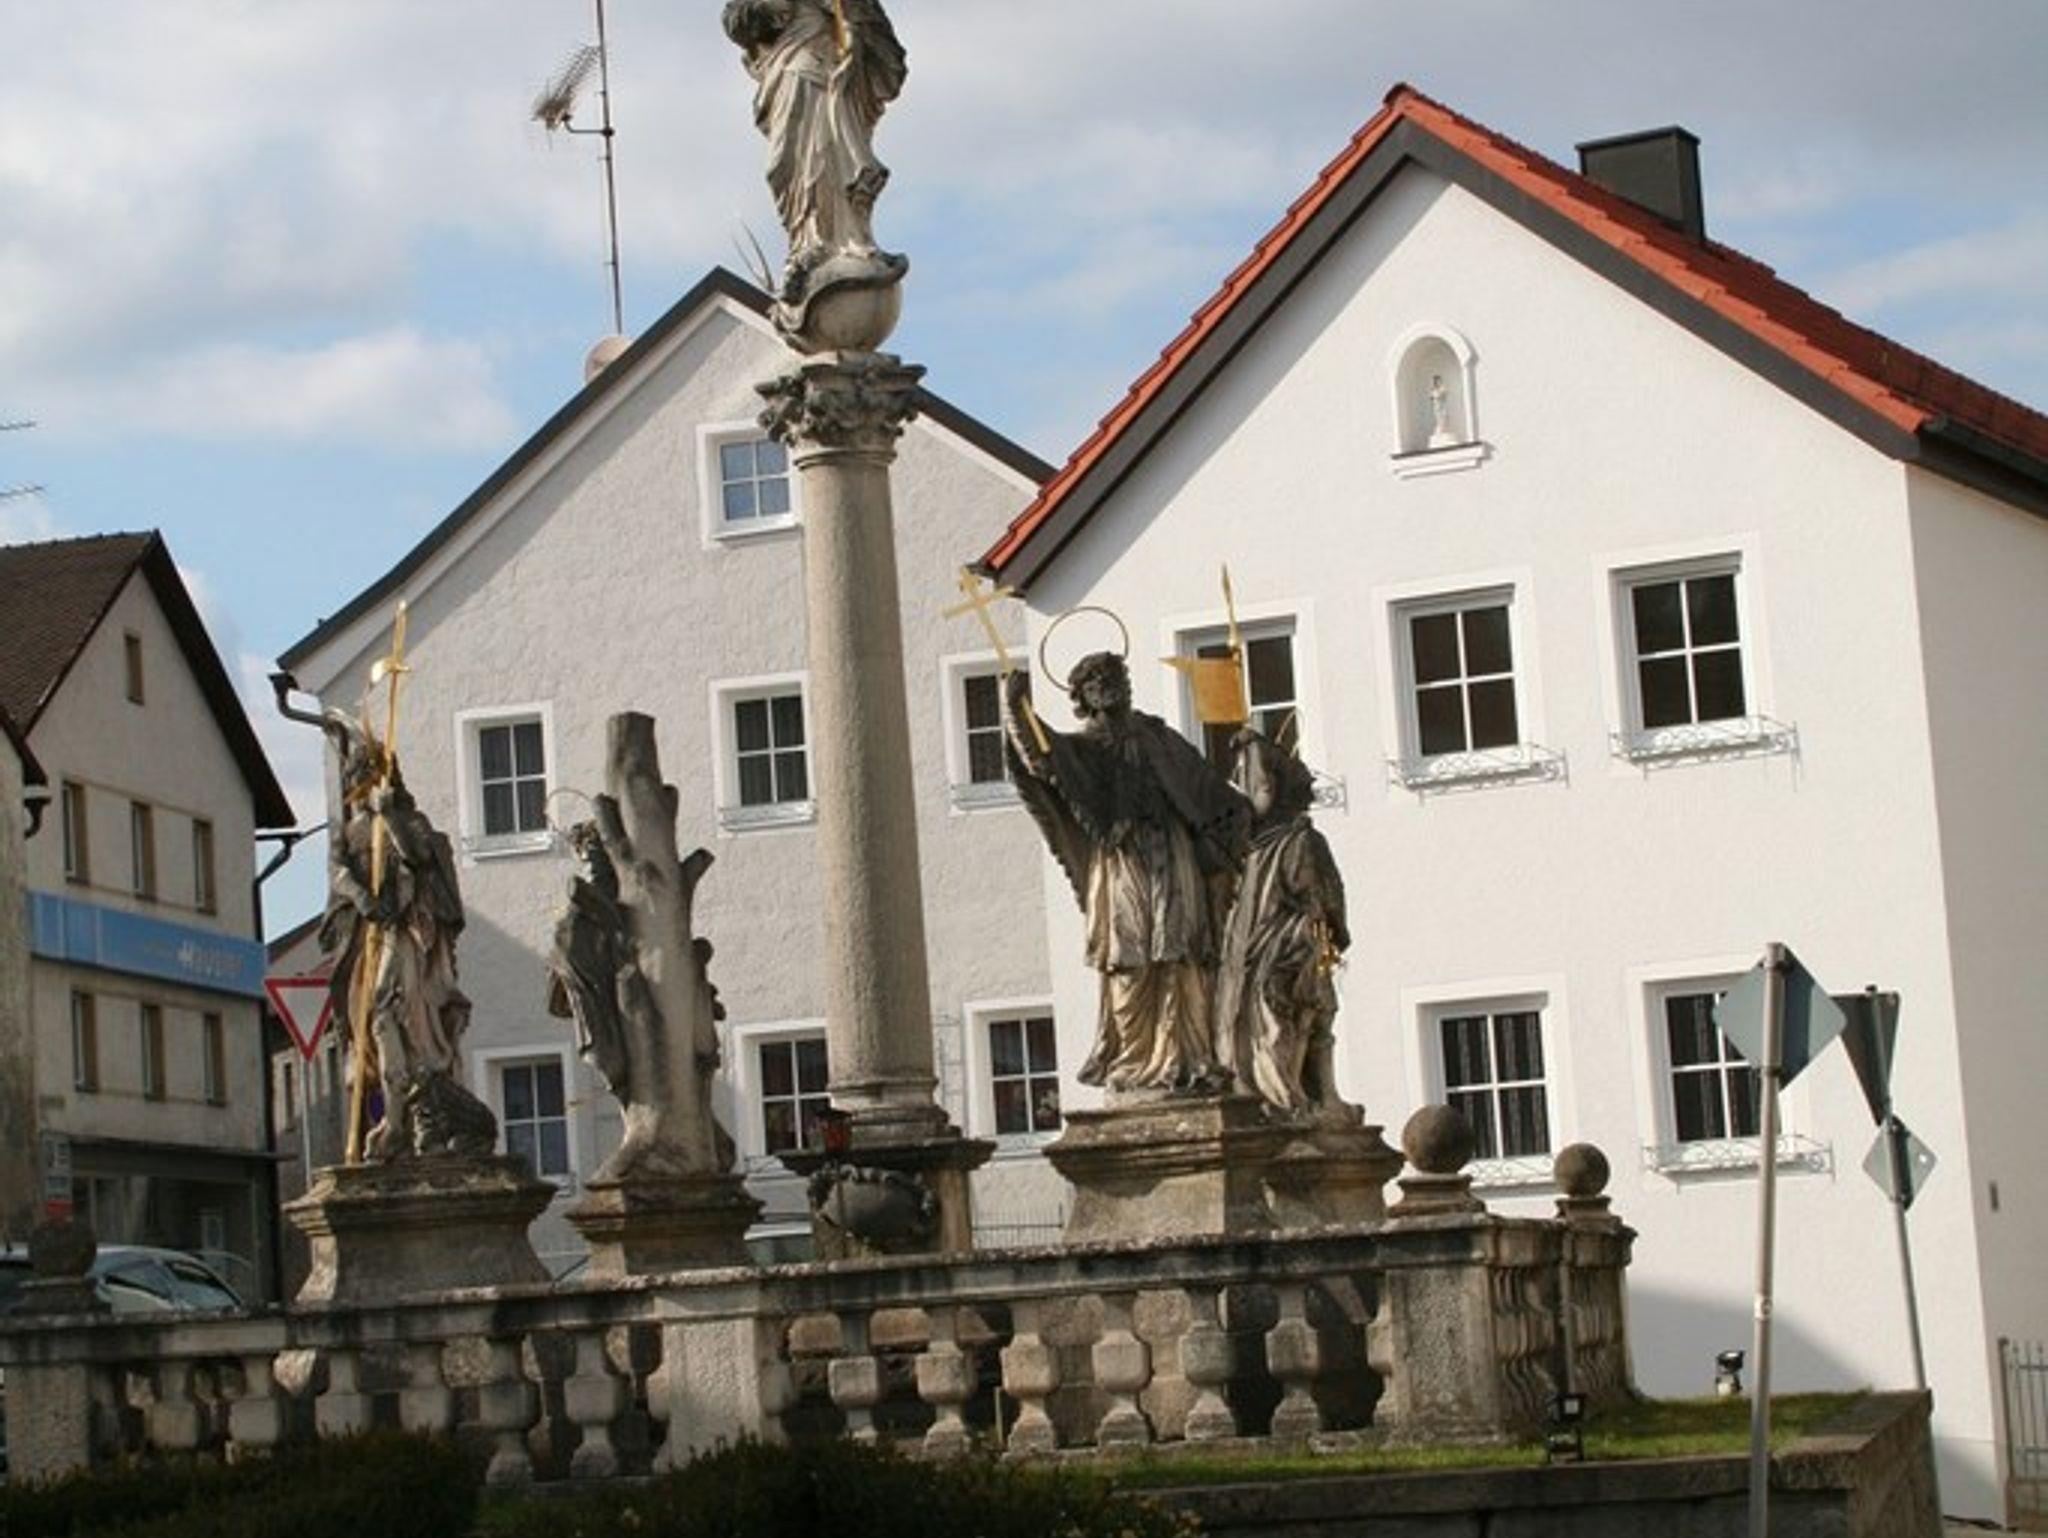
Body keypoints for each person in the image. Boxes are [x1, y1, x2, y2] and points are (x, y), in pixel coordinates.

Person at [1003, 653, 1250, 1095]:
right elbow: (1042, 759)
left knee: (1184, 951)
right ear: (1083, 697)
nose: (1112, 684)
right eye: (1097, 680)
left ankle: (1189, 1057)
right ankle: (1135, 1060)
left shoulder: (1160, 737)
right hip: (1123, 860)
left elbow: (1206, 788)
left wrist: (1244, 807)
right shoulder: (1085, 748)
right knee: (1128, 954)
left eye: (1116, 675)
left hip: (1173, 853)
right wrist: (1015, 708)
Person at [723, 0, 907, 300]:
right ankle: (807, 242)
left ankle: (842, 238)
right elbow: (736, 20)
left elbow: (861, 18)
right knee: (786, 164)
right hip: (787, 70)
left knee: (831, 151)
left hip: (822, 71)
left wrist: (849, 22)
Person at [1216, 729, 1352, 1120]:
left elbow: (1323, 894)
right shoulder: (1244, 845)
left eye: (1256, 784)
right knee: (1277, 1022)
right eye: (1242, 782)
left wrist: (1325, 928)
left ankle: (1307, 1095)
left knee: (1304, 1017)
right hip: (1253, 952)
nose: (1244, 792)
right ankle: (1286, 1096)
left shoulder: (1297, 840)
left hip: (1289, 946)